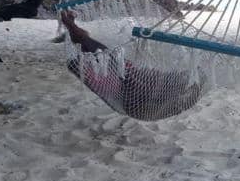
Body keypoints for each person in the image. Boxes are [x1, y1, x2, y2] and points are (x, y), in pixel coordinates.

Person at [59, 10, 204, 120]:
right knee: (101, 52)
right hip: (128, 77)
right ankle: (75, 30)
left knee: (99, 52)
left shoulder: (159, 95)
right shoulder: (168, 91)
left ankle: (75, 29)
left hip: (127, 81)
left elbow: (143, 92)